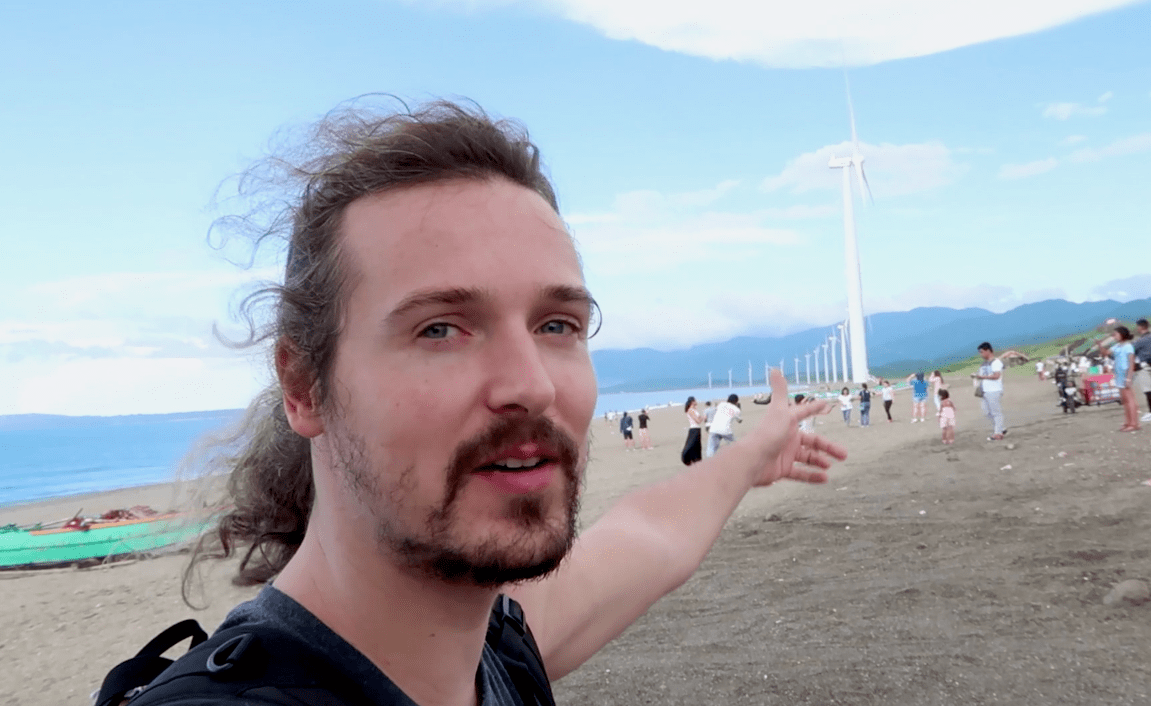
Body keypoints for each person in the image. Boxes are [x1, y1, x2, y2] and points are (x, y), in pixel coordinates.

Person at [107, 101, 848, 706]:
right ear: (304, 387)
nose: (531, 384)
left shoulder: (495, 648)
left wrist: (754, 452)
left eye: (556, 324)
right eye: (440, 329)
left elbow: (647, 538)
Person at [1105, 326, 1139, 432]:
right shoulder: (1117, 346)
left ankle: (1134, 424)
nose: (1114, 336)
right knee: (1124, 400)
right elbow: (1105, 353)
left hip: (1125, 375)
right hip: (1119, 375)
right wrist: (1100, 345)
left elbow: (1131, 362)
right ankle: (1128, 422)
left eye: (1116, 334)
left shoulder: (1128, 346)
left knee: (1130, 400)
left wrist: (1128, 378)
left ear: (1122, 334)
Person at [971, 341, 1006, 440]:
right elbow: (982, 376)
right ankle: (1001, 428)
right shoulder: (984, 364)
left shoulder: (996, 362)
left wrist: (981, 376)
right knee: (986, 412)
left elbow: (996, 375)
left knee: (996, 412)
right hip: (985, 390)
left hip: (994, 390)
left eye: (982, 352)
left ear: (988, 350)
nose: (981, 354)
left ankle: (998, 433)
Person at [1134, 318, 1151, 423]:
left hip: (1145, 366)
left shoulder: (1140, 341)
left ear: (1141, 327)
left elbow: (1131, 352)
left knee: (1148, 390)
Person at [680, 397, 703, 465]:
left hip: (697, 429)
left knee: (697, 447)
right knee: (691, 446)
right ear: (692, 402)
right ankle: (688, 460)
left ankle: (697, 461)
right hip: (694, 429)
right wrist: (703, 417)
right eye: (695, 400)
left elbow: (698, 419)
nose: (696, 401)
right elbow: (698, 421)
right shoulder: (691, 410)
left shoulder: (693, 409)